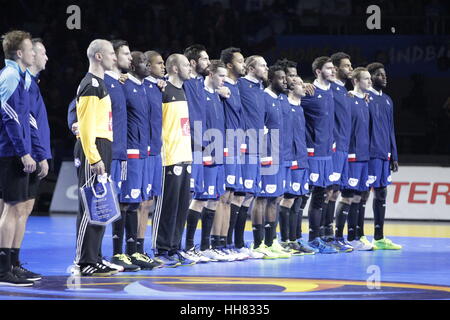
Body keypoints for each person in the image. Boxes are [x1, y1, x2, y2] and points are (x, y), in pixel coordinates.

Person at [73, 39, 118, 277]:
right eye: (111, 53)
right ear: (99, 56)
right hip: (94, 146)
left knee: (100, 205)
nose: (115, 57)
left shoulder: (100, 84)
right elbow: (86, 126)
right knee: (90, 205)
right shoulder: (90, 84)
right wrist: (94, 156)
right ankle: (83, 260)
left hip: (103, 145)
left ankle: (96, 257)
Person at [0, 30, 38, 286]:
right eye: (30, 49)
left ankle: (12, 263)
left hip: (15, 150)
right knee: (10, 208)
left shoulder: (21, 76)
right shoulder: (11, 75)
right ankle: (3, 270)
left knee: (16, 208)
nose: (34, 53)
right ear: (19, 53)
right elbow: (9, 116)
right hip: (9, 152)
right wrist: (23, 151)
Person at [117, 51, 161, 270]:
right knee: (126, 202)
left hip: (148, 153)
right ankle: (121, 252)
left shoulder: (150, 88)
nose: (149, 66)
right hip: (130, 154)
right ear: (133, 66)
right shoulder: (122, 86)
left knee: (142, 202)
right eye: (144, 63)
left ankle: (137, 250)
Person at [152, 54, 194, 267]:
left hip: (185, 156)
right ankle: (161, 249)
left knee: (181, 207)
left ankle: (175, 247)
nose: (190, 67)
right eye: (186, 64)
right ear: (175, 69)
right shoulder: (163, 89)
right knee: (167, 206)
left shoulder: (183, 91)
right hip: (169, 157)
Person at [104, 40, 141, 272]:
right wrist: (74, 123)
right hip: (109, 153)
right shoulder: (104, 82)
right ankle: (107, 254)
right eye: (126, 54)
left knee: (125, 204)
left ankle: (124, 253)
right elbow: (76, 105)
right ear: (114, 57)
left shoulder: (120, 83)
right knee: (109, 205)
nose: (130, 58)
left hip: (122, 153)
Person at [219, 47, 260, 259]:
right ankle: (221, 243)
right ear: (228, 65)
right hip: (225, 146)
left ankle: (234, 243)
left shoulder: (241, 85)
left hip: (243, 145)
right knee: (226, 195)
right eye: (240, 61)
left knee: (240, 194)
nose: (243, 65)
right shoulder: (223, 83)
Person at [251, 64, 291, 259]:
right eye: (281, 78)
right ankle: (258, 243)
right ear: (271, 80)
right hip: (267, 155)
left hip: (281, 155)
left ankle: (271, 240)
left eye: (286, 78)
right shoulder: (263, 98)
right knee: (262, 198)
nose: (285, 81)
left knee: (275, 198)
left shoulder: (282, 99)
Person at [276, 60, 316, 255]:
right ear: (291, 88)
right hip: (290, 158)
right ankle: (285, 240)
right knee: (288, 200)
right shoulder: (283, 103)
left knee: (299, 200)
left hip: (302, 159)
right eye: (301, 84)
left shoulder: (300, 107)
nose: (305, 86)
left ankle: (295, 239)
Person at [301, 56, 338, 254]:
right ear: (318, 72)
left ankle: (316, 238)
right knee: (303, 196)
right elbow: (290, 100)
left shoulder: (330, 92)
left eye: (333, 68)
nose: (333, 71)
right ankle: (296, 238)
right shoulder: (309, 92)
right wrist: (299, 84)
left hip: (326, 153)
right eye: (329, 68)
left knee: (321, 196)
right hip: (312, 152)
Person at [366, 62, 402, 250]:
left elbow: (391, 129)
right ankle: (356, 236)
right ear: (371, 78)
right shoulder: (365, 98)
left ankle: (379, 237)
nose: (384, 77)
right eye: (380, 75)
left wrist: (393, 155)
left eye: (384, 74)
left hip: (384, 155)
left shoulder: (388, 100)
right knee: (362, 195)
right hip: (370, 155)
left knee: (381, 194)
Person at [237, 55, 269, 258]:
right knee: (240, 195)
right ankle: (235, 243)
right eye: (263, 65)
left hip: (258, 147)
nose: (267, 68)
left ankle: (238, 243)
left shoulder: (259, 88)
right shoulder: (240, 84)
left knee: (250, 194)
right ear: (250, 68)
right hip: (244, 147)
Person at [338, 67, 374, 251]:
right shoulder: (349, 99)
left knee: (360, 196)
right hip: (352, 155)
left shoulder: (365, 101)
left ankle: (355, 236)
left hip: (364, 155)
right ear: (356, 81)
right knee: (348, 196)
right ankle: (339, 237)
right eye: (366, 79)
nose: (370, 82)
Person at [323, 52, 354, 252]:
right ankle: (323, 236)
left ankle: (333, 235)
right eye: (347, 66)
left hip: (344, 147)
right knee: (327, 192)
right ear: (335, 68)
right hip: (333, 148)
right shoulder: (329, 89)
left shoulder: (344, 90)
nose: (350, 69)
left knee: (335, 192)